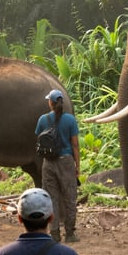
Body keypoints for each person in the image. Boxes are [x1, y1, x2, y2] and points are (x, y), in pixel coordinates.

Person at [35, 89, 80, 243]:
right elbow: (75, 145)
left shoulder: (42, 119)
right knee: (70, 197)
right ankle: (70, 233)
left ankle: (54, 234)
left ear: (51, 103)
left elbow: (39, 140)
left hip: (48, 163)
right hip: (66, 160)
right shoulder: (70, 120)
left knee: (51, 197)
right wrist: (77, 166)